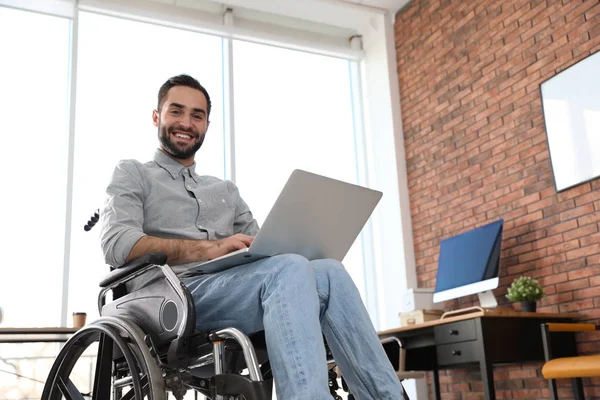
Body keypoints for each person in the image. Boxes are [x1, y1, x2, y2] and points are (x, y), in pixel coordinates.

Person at [100, 74, 403, 399]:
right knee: (289, 270)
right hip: (168, 299)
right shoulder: (133, 173)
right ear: (157, 116)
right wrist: (209, 249)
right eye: (176, 111)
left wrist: (301, 239)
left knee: (329, 271)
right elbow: (117, 243)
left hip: (230, 290)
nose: (186, 122)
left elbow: (267, 251)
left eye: (197, 115)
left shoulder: (224, 191)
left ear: (206, 124)